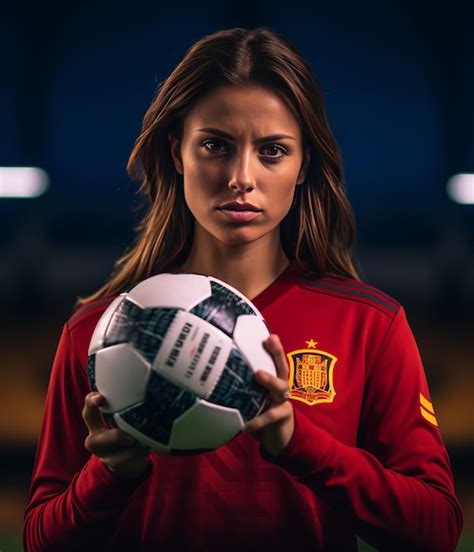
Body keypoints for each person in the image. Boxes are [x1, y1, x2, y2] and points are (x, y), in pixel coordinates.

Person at [23, 27, 463, 552]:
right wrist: (109, 475)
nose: (241, 177)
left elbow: (435, 530)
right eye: (215, 145)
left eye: (273, 151)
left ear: (303, 167)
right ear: (176, 152)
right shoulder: (98, 333)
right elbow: (38, 540)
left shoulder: (370, 325)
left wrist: (299, 444)